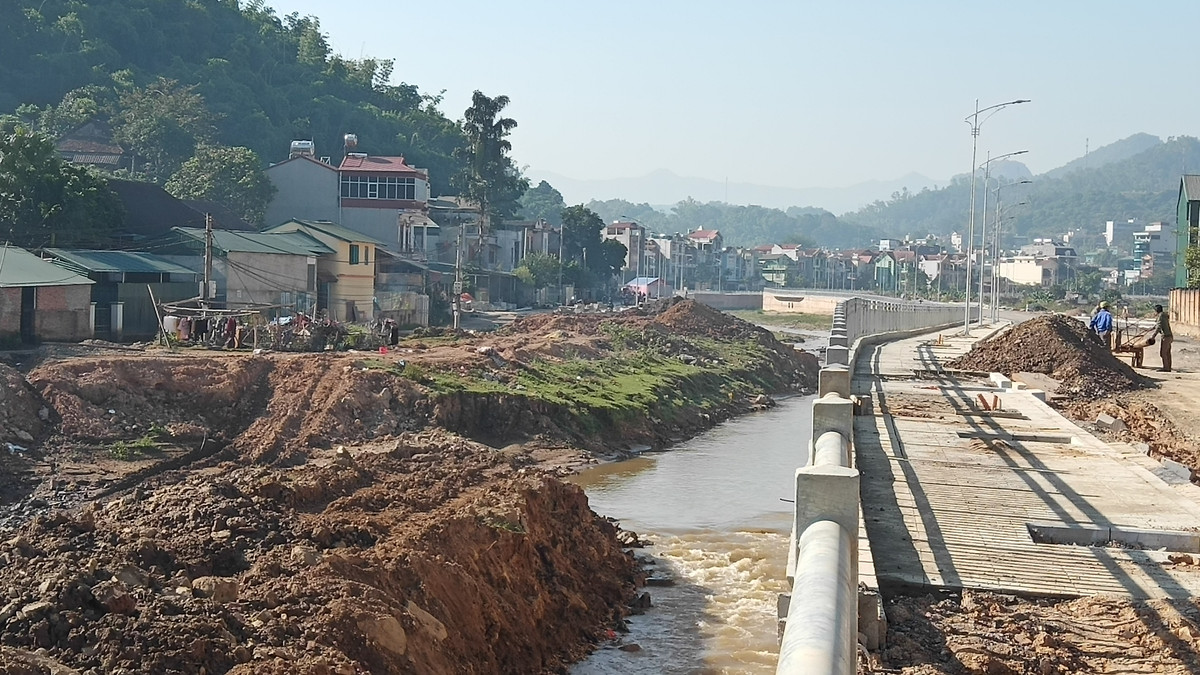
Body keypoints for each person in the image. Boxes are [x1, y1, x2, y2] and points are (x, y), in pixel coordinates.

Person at [1149, 303, 1173, 372]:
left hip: (1166, 337)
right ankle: (1168, 367)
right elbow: (1159, 325)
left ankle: (1166, 368)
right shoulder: (1164, 315)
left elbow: (1158, 327)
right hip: (1169, 336)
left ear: (1156, 311)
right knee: (1167, 353)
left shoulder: (1160, 316)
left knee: (1163, 353)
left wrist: (1153, 337)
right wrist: (1152, 328)